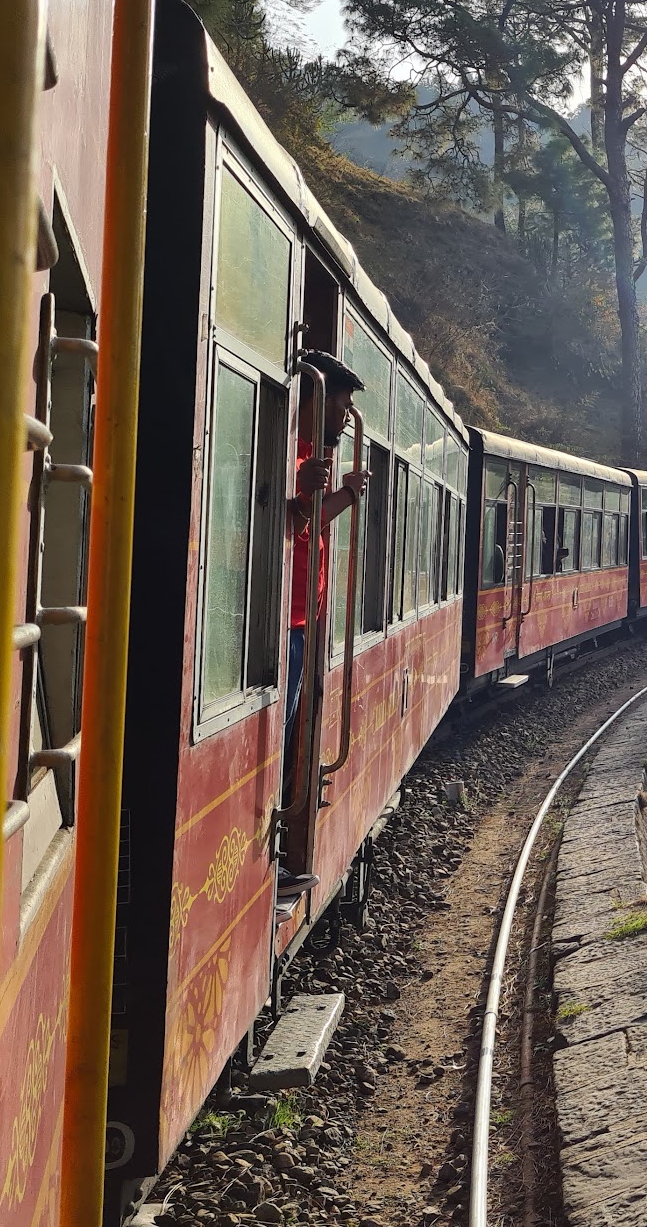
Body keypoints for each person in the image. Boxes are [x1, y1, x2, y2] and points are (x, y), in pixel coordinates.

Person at [278, 350, 368, 918]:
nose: (346, 414)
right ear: (316, 398)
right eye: (341, 402)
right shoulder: (291, 454)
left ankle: (283, 855)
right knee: (282, 734)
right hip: (282, 620)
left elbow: (306, 522)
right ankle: (277, 858)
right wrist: (320, 494)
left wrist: (339, 495)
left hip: (302, 619)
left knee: (290, 734)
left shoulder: (314, 458)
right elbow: (285, 522)